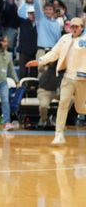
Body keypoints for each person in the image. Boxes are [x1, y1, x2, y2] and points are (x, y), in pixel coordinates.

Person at [26, 16, 86, 145]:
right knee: (63, 104)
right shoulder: (64, 39)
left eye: (77, 26)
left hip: (82, 79)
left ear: (82, 27)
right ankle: (59, 134)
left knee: (80, 108)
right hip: (67, 77)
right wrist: (40, 61)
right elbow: (54, 53)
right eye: (72, 26)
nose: (74, 29)